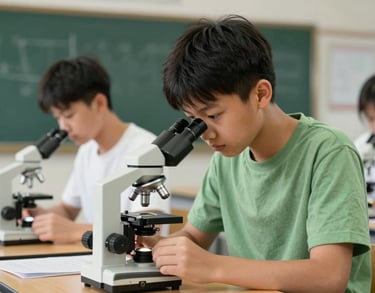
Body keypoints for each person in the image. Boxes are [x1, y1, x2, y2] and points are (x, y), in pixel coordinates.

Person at [139, 15, 371, 292]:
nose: (205, 133)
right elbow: (194, 237)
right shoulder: (225, 162)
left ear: (260, 94)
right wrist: (161, 249)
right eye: (194, 120)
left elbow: (328, 277)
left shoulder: (329, 152)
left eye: (212, 115)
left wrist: (214, 266)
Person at [24, 56, 170, 244]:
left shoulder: (146, 150)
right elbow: (68, 210)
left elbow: (148, 230)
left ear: (99, 103)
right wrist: (37, 216)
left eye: (68, 115)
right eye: (58, 117)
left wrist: (75, 232)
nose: (63, 127)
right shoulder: (87, 150)